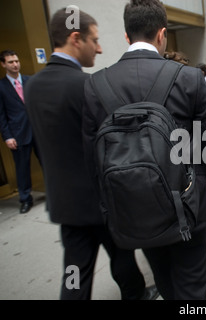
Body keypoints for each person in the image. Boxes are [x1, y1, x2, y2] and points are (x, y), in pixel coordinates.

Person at [82, 0, 206, 300]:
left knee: (163, 278)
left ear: (127, 36)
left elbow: (91, 161)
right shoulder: (188, 78)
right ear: (162, 34)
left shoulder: (95, 85)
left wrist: (107, 210)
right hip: (188, 205)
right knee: (192, 286)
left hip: (132, 205)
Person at [25, 8, 157, 300]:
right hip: (101, 202)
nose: (99, 48)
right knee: (122, 258)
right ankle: (136, 295)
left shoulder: (32, 86)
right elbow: (115, 144)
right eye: (94, 40)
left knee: (75, 272)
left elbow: (41, 143)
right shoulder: (87, 86)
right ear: (75, 38)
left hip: (65, 204)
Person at [0, 50, 38, 214]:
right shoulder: (1, 87)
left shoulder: (30, 81)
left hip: (37, 130)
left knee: (48, 163)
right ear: (3, 64)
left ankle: (54, 194)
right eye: (10, 62)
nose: (15, 64)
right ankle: (25, 199)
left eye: (16, 61)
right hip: (18, 134)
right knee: (22, 169)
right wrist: (7, 136)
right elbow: (1, 115)